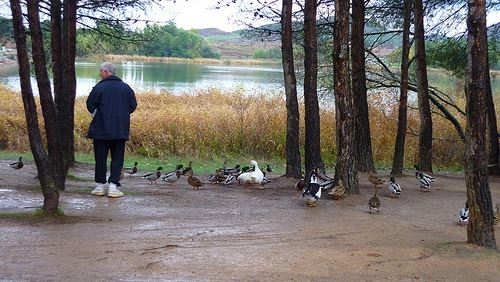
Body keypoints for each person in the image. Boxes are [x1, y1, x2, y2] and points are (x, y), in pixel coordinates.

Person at [86, 62, 137, 198]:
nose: (99, 74)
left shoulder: (99, 87)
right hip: (120, 130)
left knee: (100, 158)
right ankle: (113, 187)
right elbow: (133, 106)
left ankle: (99, 187)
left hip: (101, 130)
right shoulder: (126, 88)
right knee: (117, 159)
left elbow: (90, 105)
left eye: (100, 72)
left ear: (105, 72)